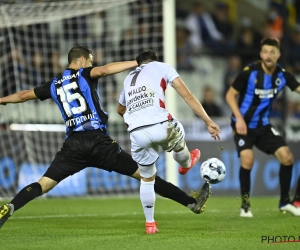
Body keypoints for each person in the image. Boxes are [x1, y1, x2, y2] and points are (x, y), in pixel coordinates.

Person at [0, 45, 212, 230]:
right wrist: (136, 62)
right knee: (147, 177)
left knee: (43, 184)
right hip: (99, 143)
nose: (92, 65)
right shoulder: (85, 73)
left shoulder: (53, 84)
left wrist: (2, 100)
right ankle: (191, 203)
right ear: (82, 60)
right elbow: (104, 70)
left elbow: (23, 95)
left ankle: (10, 206)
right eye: (90, 61)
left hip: (73, 145)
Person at [117, 49, 221, 234]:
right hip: (160, 123)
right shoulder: (162, 67)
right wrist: (208, 121)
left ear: (138, 63)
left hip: (136, 131)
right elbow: (187, 96)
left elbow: (119, 109)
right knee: (179, 140)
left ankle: (150, 224)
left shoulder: (128, 78)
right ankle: (186, 163)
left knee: (147, 178)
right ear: (154, 60)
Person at [225, 38, 300, 218]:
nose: (268, 55)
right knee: (248, 160)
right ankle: (244, 206)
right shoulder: (249, 73)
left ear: (278, 55)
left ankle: (284, 202)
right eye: (265, 52)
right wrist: (240, 119)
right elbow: (230, 95)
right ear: (260, 54)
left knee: (287, 157)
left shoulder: (282, 75)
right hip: (242, 125)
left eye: (272, 52)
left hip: (263, 125)